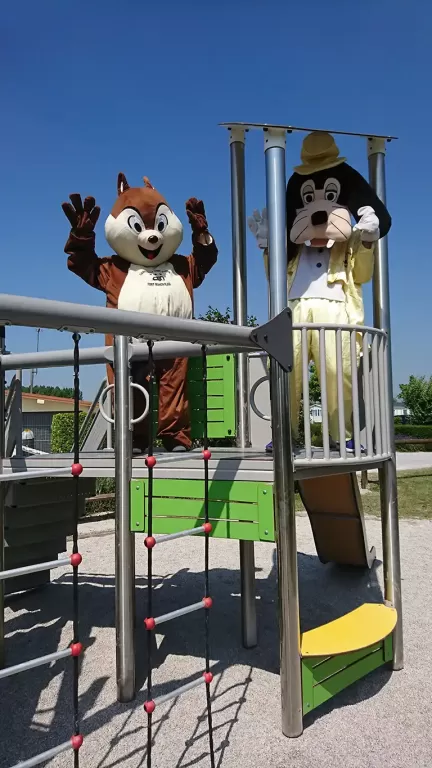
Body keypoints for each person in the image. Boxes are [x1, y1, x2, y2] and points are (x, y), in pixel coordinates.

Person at [248, 131, 391, 454]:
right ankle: (285, 433)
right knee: (287, 373)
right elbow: (274, 276)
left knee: (338, 373)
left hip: (336, 309)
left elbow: (362, 274)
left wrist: (367, 241)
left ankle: (341, 435)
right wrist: (268, 246)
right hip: (295, 310)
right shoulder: (293, 250)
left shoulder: (348, 243)